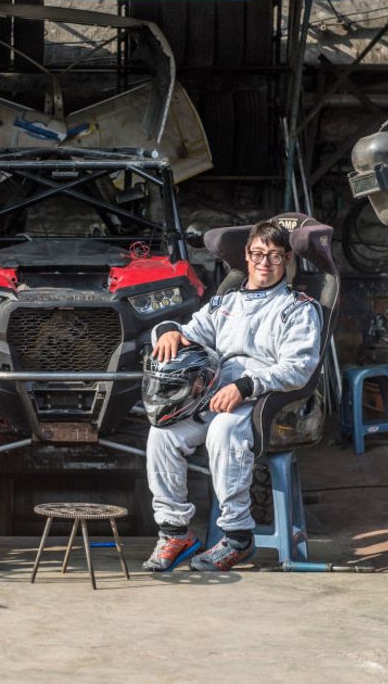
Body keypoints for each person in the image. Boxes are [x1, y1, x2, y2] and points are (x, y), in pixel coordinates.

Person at [143, 220, 322, 572]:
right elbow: (188, 331)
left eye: (273, 256)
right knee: (162, 434)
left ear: (286, 259)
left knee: (223, 430)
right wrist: (165, 332)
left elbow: (299, 369)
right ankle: (175, 532)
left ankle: (238, 537)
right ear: (246, 256)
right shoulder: (226, 304)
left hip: (269, 402)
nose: (264, 263)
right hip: (216, 397)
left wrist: (245, 386)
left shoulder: (298, 308)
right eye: (257, 254)